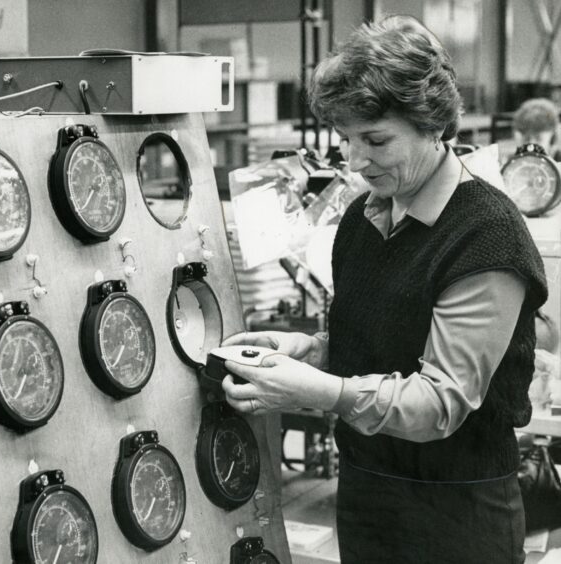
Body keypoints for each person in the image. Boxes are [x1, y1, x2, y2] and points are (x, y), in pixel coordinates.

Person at [221, 16, 549, 564]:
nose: (356, 159)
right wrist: (313, 351)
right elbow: (387, 336)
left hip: (458, 514)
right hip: (367, 494)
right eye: (346, 139)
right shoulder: (362, 218)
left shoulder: (485, 234)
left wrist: (315, 391)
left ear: (432, 123)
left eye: (375, 140)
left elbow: (440, 402)